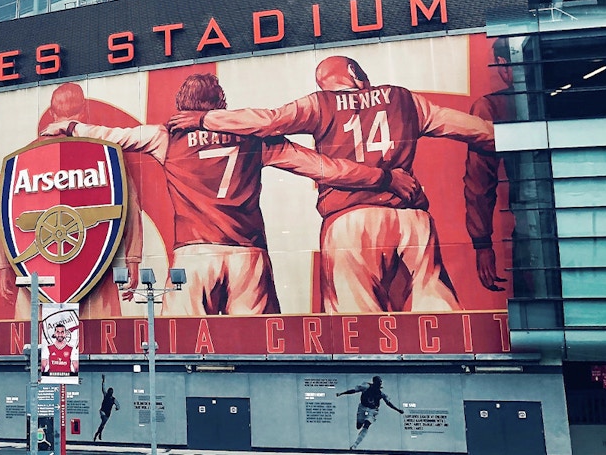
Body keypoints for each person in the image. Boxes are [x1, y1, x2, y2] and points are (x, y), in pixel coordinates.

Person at [44, 72, 420, 315]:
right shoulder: (256, 139)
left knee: (179, 351)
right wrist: (383, 177)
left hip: (192, 256)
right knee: (255, 349)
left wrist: (69, 125)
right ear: (221, 106)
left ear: (181, 107)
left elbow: (112, 136)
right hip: (249, 257)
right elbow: (323, 167)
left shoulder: (165, 136)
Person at [169, 56, 495, 314]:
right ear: (356, 74)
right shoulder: (405, 99)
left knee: (354, 315)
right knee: (433, 299)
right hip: (409, 216)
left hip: (349, 219)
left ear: (328, 83)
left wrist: (204, 119)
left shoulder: (320, 104)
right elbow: (478, 131)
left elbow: (267, 121)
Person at [1, 82, 143, 317]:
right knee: (103, 347)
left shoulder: (24, 158)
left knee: (28, 345)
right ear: (84, 111)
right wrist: (133, 258)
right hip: (96, 268)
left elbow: (6, 215)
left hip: (34, 273)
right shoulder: (105, 153)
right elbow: (130, 206)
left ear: (52, 112)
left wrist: (3, 267)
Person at [464, 37, 514, 293]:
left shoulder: (492, 107)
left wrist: (482, 244)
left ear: (502, 64)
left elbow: (480, 181)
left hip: (527, 225)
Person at [336, 376, 403, 450]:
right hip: (362, 407)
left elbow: (389, 403)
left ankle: (355, 445)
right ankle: (361, 423)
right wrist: (341, 393)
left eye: (380, 384)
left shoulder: (381, 394)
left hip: (373, 410)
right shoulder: (366, 387)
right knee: (358, 426)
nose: (379, 385)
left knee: (367, 424)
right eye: (378, 383)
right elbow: (353, 391)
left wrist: (398, 410)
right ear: (374, 383)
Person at [94, 374, 119, 441]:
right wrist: (103, 380)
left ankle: (99, 433)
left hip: (108, 413)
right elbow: (103, 388)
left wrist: (117, 408)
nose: (110, 393)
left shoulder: (113, 399)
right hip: (102, 411)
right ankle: (97, 434)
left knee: (103, 424)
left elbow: (118, 405)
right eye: (110, 391)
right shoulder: (106, 395)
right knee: (103, 422)